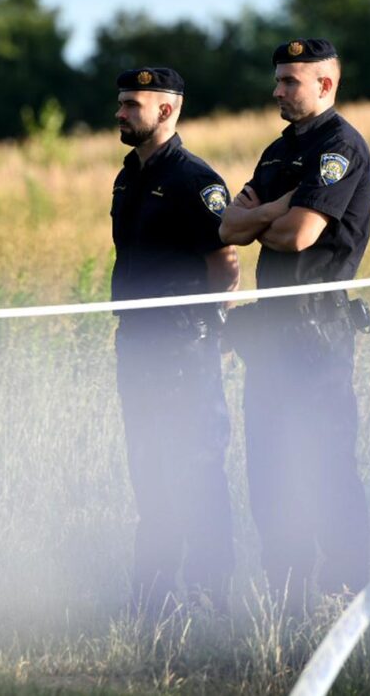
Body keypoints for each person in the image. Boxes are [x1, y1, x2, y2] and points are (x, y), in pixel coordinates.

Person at [218, 38, 370, 608]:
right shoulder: (277, 151)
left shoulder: (340, 148)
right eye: (278, 79)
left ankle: (343, 595)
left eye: (290, 81)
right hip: (269, 337)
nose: (277, 90)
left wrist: (267, 216)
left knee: (327, 466)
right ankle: (287, 596)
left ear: (325, 86)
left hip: (318, 336)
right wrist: (275, 209)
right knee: (269, 472)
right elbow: (229, 229)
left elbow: (300, 235)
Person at [110, 66, 240, 616]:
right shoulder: (126, 176)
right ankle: (153, 601)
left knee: (199, 470)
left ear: (166, 110)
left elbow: (226, 267)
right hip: (135, 348)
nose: (120, 113)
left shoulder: (195, 180)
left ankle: (209, 599)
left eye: (131, 105)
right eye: (120, 103)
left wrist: (203, 329)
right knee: (149, 470)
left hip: (184, 351)